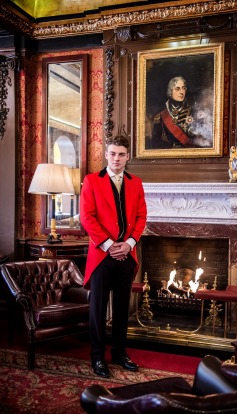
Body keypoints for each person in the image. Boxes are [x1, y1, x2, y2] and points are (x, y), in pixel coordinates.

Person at [80, 135, 147, 378]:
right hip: (102, 255)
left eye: (121, 154)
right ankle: (97, 358)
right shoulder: (91, 181)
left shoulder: (136, 183)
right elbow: (87, 218)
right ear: (106, 155)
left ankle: (119, 353)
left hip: (126, 255)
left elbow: (141, 217)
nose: (116, 158)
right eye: (112, 153)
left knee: (121, 308)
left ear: (127, 157)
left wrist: (129, 243)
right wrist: (110, 245)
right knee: (98, 309)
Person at [152, 76, 195, 149]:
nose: (181, 92)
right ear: (170, 92)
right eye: (177, 89)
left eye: (183, 88)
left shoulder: (193, 112)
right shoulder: (160, 117)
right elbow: (156, 144)